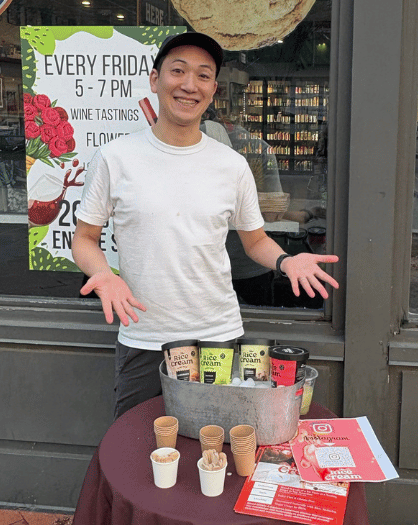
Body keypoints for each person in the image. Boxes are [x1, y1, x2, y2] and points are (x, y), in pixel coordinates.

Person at [72, 31, 340, 417]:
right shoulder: (115, 158)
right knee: (138, 447)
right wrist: (105, 276)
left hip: (217, 337)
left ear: (213, 89)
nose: (188, 84)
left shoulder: (230, 164)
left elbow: (255, 240)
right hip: (145, 337)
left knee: (219, 449)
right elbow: (84, 239)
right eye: (177, 71)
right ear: (154, 79)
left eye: (202, 75)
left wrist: (286, 261)